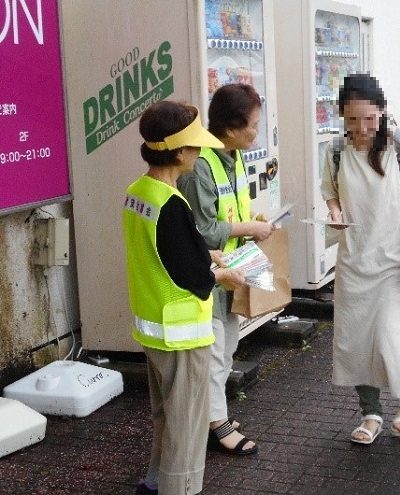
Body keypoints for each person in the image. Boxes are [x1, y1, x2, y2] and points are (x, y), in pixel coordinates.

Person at [123, 100, 245, 495]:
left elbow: (160, 252)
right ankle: (180, 489)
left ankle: (154, 482)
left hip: (153, 328)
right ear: (178, 152)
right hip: (182, 334)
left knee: (166, 416)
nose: (198, 153)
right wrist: (223, 273)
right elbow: (191, 275)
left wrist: (205, 253)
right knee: (188, 426)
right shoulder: (173, 204)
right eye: (193, 147)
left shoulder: (139, 191)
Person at [320, 73, 400, 444]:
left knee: (395, 335)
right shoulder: (336, 150)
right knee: (357, 340)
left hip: (394, 261)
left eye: (370, 118)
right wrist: (335, 211)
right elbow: (331, 193)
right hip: (354, 260)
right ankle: (370, 412)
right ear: (342, 116)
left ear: (383, 111)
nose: (362, 127)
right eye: (353, 120)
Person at [178, 83, 274, 455]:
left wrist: (255, 223)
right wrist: (251, 228)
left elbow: (227, 214)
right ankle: (216, 423)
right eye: (253, 125)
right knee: (216, 352)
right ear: (231, 128)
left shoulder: (230, 157)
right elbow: (200, 230)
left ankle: (212, 416)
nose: (257, 132)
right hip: (207, 275)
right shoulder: (201, 166)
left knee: (227, 345)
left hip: (231, 271)